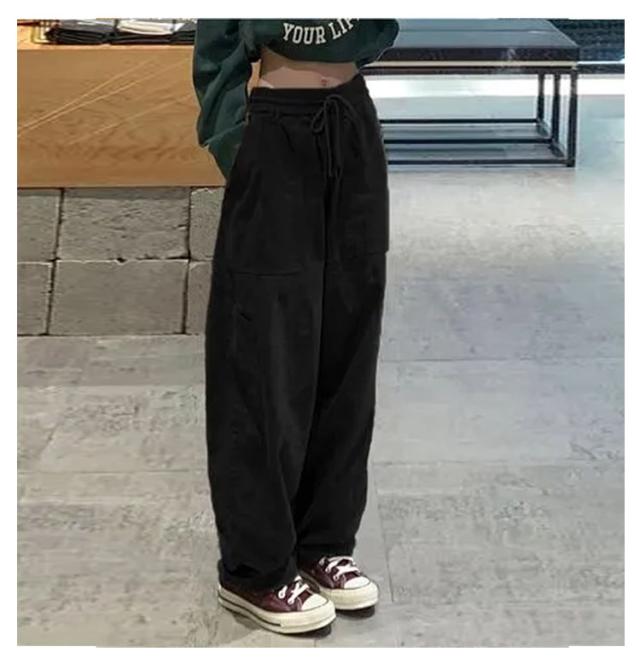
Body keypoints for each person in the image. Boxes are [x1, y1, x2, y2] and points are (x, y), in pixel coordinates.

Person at [192, 18, 399, 635]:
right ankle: (254, 569)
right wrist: (239, 143)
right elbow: (216, 52)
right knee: (263, 355)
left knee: (348, 348)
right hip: (275, 127)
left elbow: (380, 30)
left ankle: (322, 544)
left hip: (351, 121)